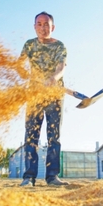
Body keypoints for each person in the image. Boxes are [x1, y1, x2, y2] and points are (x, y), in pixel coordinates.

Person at [19, 11, 69, 187]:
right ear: (34, 27)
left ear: (52, 27)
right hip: (34, 95)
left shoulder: (59, 46)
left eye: (46, 24)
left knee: (53, 136)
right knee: (31, 136)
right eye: (39, 24)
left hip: (55, 95)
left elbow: (61, 67)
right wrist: (22, 71)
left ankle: (52, 176)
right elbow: (20, 66)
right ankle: (29, 176)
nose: (43, 27)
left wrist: (54, 78)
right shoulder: (29, 45)